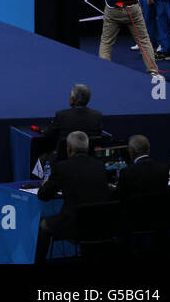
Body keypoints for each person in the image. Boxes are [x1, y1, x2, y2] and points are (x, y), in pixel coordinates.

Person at [35, 131, 113, 263]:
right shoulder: (100, 166)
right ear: (87, 147)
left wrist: (46, 184)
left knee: (42, 225)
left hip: (74, 225)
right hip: (101, 223)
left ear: (69, 148)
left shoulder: (62, 168)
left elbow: (43, 195)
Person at [43, 84, 102, 163]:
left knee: (41, 158)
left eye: (70, 95)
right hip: (89, 159)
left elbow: (48, 134)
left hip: (63, 159)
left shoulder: (61, 115)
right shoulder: (97, 116)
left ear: (73, 99)